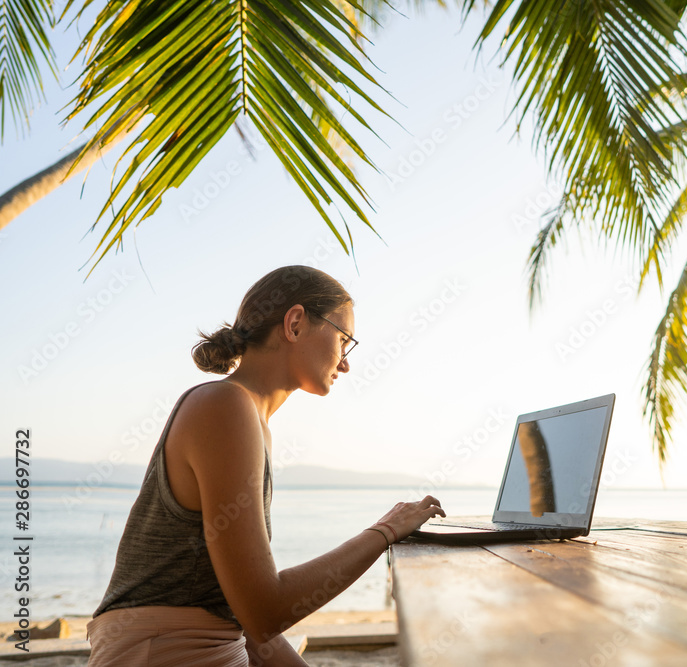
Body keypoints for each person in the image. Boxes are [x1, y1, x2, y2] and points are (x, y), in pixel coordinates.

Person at [86, 265, 445, 666]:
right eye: (344, 340)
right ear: (294, 323)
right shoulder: (224, 407)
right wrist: (384, 532)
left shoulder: (250, 419)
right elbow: (263, 611)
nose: (345, 362)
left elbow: (243, 620)